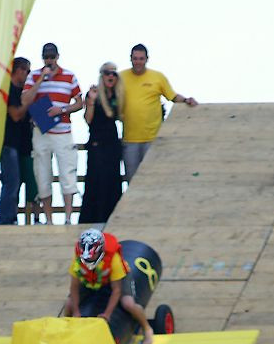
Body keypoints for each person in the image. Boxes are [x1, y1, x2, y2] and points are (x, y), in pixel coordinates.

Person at [22, 43, 83, 225]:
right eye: (46, 57)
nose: (49, 61)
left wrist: (62, 109)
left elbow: (80, 102)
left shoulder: (69, 76)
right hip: (41, 132)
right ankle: (48, 219)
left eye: (52, 57)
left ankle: (67, 217)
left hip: (63, 131)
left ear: (58, 56)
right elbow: (25, 99)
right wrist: (41, 79)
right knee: (42, 175)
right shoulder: (34, 76)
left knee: (67, 174)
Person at [62, 229, 154, 344]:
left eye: (92, 257)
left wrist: (107, 314)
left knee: (128, 303)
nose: (88, 260)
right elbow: (74, 287)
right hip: (90, 279)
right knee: (68, 303)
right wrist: (75, 311)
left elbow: (117, 290)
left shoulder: (113, 260)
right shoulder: (78, 259)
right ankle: (67, 330)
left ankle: (147, 328)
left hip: (115, 278)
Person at [119, 43, 197, 182]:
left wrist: (186, 100)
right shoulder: (121, 77)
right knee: (132, 180)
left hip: (153, 138)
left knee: (153, 179)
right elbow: (108, 96)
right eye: (135, 58)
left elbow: (172, 97)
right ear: (130, 58)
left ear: (147, 59)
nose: (138, 62)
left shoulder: (157, 77)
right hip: (130, 139)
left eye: (141, 58)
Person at [79, 63, 124, 224]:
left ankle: (111, 217)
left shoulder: (117, 95)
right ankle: (93, 219)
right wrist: (90, 101)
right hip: (97, 144)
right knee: (95, 180)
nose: (110, 76)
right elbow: (88, 120)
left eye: (113, 74)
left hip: (112, 143)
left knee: (112, 180)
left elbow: (120, 116)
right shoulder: (94, 94)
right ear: (102, 76)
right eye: (107, 73)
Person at [0, 57, 34, 225]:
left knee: (20, 183)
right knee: (11, 183)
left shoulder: (21, 91)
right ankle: (5, 219)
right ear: (19, 70)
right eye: (27, 71)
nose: (28, 75)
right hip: (8, 143)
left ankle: (13, 217)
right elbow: (16, 115)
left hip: (21, 146)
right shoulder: (9, 89)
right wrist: (27, 102)